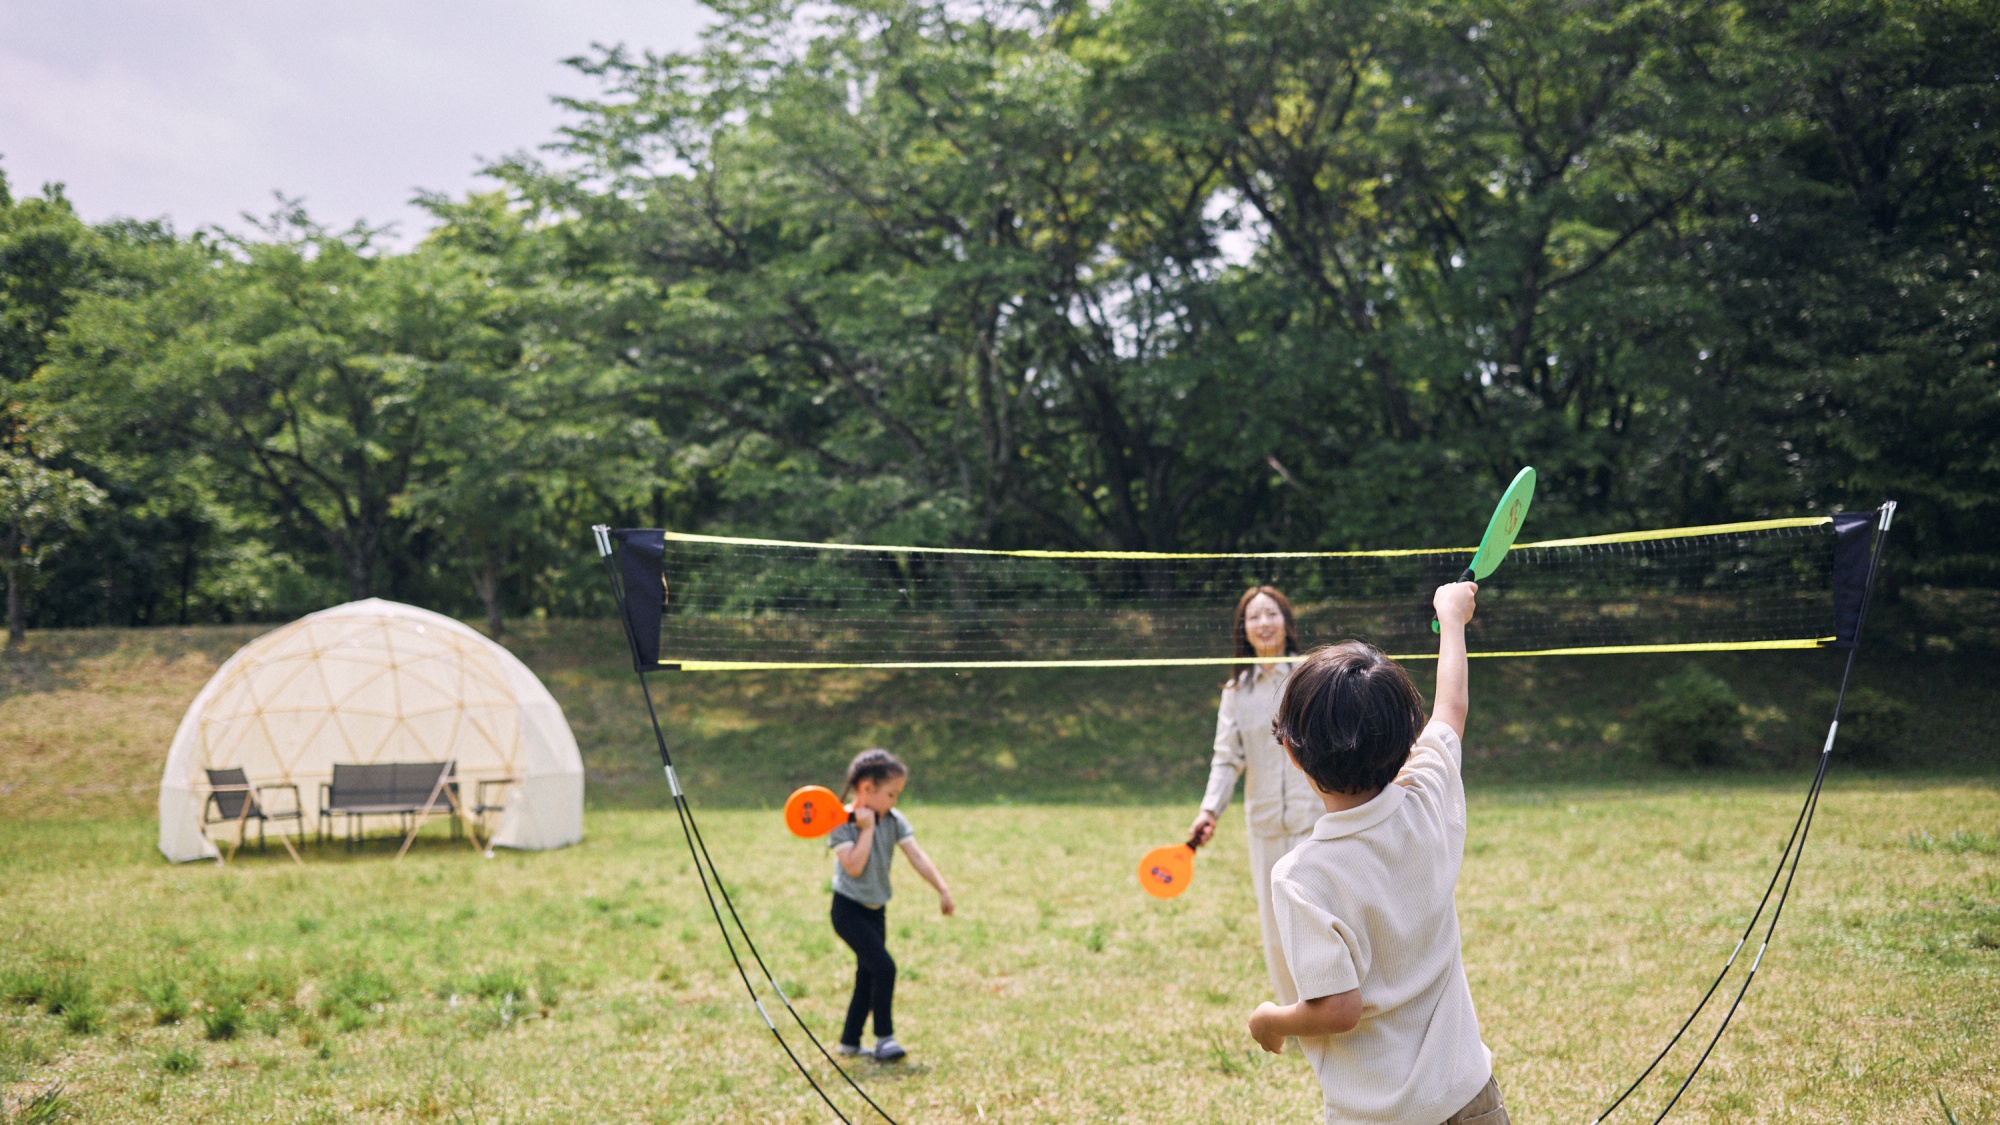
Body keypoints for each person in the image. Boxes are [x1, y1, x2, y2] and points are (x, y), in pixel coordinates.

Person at [1245, 582, 1509, 1125]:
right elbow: (1451, 708)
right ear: (1406, 740)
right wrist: (1452, 619)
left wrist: (1270, 1019)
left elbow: (1338, 1009)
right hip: (1470, 1095)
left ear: (1293, 755)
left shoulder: (1301, 876)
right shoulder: (1427, 799)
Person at [1187, 585, 1323, 1003]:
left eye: (1272, 614)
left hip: (1316, 819)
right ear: (1242, 629)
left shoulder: (1310, 676)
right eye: (1254, 617)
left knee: (1319, 916)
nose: (1263, 623)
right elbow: (1226, 759)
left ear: (1287, 622)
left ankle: (1333, 1002)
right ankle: (1297, 1016)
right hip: (1264, 824)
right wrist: (1209, 810)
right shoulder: (1236, 693)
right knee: (1276, 922)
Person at [826, 748, 955, 1063]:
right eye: (892, 794)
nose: (895, 801)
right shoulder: (840, 822)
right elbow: (854, 867)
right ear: (866, 788)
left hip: (876, 909)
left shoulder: (894, 820)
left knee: (867, 974)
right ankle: (885, 1038)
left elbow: (916, 856)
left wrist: (942, 887)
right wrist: (866, 829)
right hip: (848, 910)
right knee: (884, 967)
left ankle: (849, 1042)